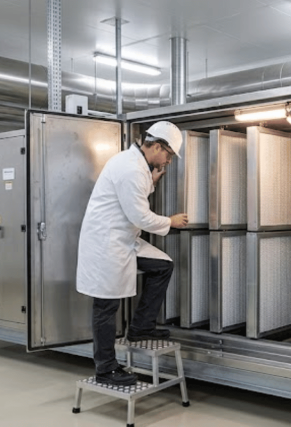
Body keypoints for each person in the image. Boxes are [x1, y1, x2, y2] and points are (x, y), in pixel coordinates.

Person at [76, 121, 190, 387]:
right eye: (169, 155)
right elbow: (140, 216)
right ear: (157, 146)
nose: (169, 161)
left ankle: (140, 328)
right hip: (107, 244)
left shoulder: (136, 166)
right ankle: (106, 368)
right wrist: (171, 221)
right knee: (106, 306)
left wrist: (151, 182)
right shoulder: (131, 168)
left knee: (162, 266)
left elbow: (132, 196)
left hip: (124, 241)